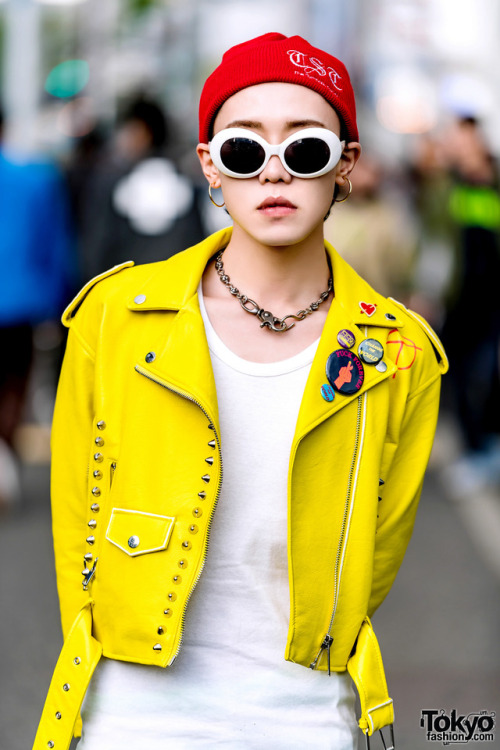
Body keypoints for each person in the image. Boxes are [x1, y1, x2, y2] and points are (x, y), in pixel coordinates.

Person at [34, 33, 448, 750]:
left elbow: (371, 559)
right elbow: (78, 528)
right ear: (210, 168)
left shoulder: (400, 354)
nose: (276, 172)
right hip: (128, 719)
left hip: (308, 719)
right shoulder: (115, 317)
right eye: (244, 150)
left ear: (346, 165)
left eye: (307, 148)